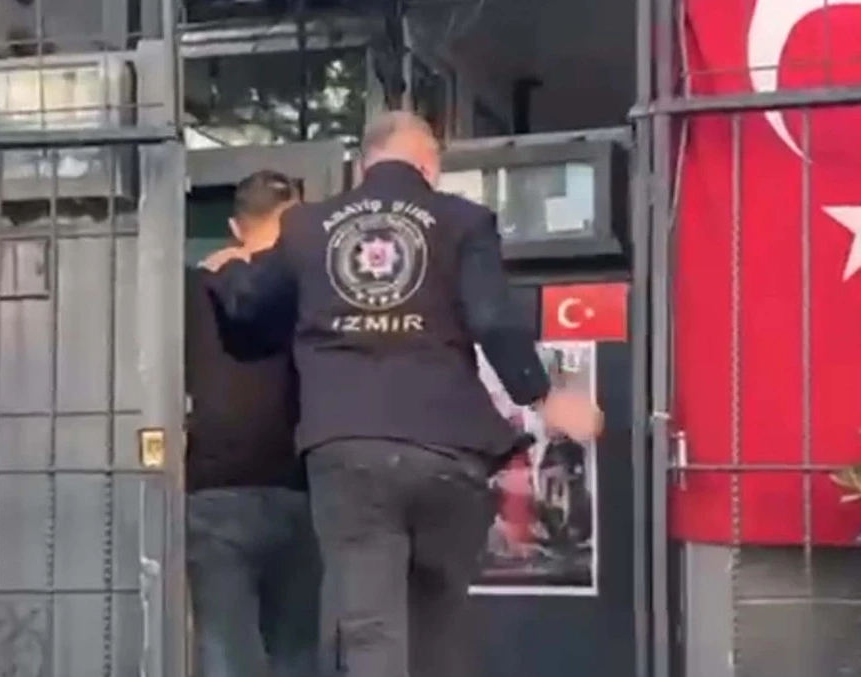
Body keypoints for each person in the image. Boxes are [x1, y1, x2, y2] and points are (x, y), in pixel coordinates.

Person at [201, 111, 604, 677]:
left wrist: (225, 272)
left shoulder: (307, 226)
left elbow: (250, 317)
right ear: (429, 164)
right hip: (448, 451)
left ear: (362, 165)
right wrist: (542, 397)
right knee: (436, 618)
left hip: (348, 448)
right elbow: (492, 319)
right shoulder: (462, 219)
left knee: (370, 628)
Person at [185, 170, 319, 677]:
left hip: (214, 488)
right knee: (297, 653)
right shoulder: (311, 287)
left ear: (235, 226)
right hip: (297, 485)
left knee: (224, 650)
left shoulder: (194, 287)